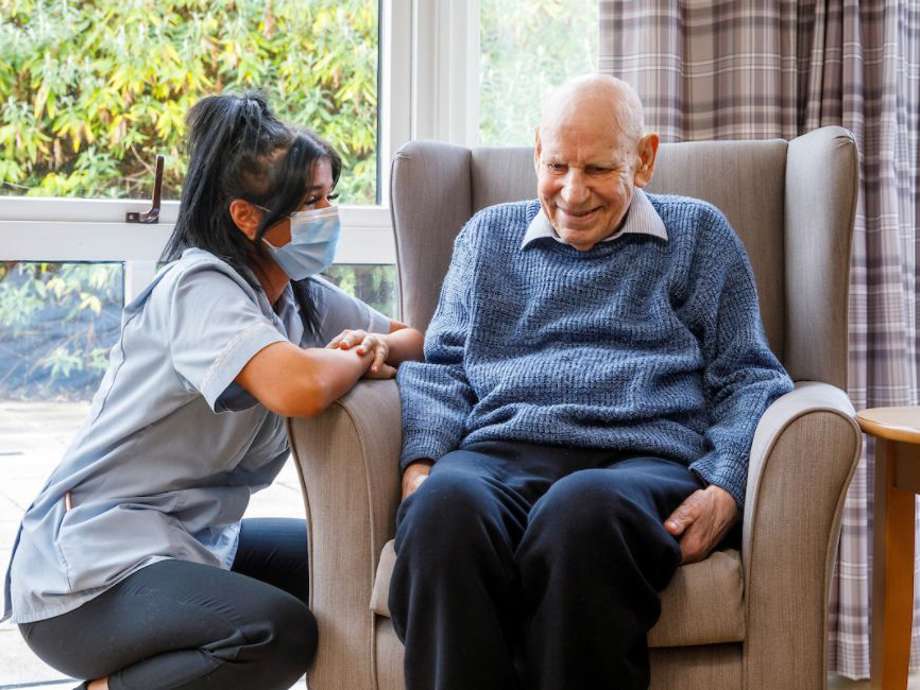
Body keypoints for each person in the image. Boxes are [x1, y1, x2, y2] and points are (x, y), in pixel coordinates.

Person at [2, 92, 423, 690]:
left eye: (331, 196)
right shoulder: (198, 287)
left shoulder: (300, 294)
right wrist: (354, 356)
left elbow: (414, 338)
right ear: (248, 217)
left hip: (189, 541)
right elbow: (297, 386)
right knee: (275, 632)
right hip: (93, 574)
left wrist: (371, 347)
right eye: (309, 202)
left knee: (350, 562)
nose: (328, 214)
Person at [388, 74, 794, 690]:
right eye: (557, 166)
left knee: (580, 514)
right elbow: (442, 367)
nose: (572, 193)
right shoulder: (486, 238)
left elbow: (750, 375)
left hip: (642, 458)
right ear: (536, 153)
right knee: (442, 511)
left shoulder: (698, 237)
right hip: (500, 451)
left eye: (599, 169)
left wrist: (725, 487)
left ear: (645, 158)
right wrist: (421, 465)